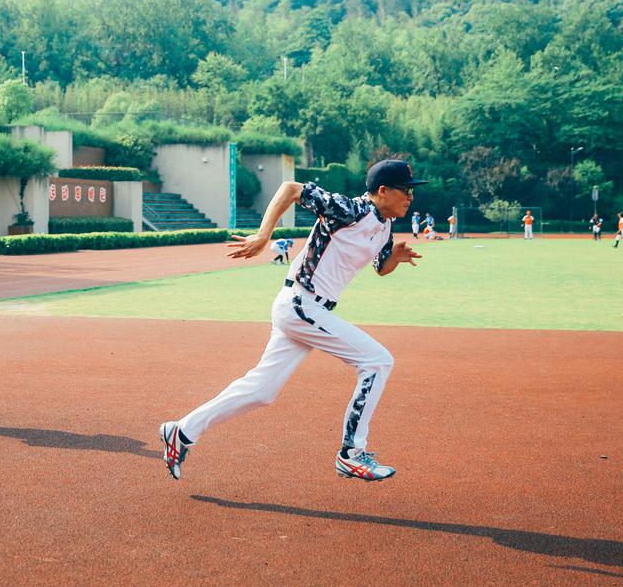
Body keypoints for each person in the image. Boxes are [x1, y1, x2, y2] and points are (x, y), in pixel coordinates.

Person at [159, 159, 425, 483]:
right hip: (302, 304)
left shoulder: (385, 226)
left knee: (262, 390)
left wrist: (394, 258)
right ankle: (351, 454)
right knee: (377, 361)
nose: (410, 197)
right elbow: (290, 189)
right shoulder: (350, 210)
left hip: (307, 311)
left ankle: (181, 431)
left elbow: (381, 267)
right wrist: (263, 236)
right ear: (383, 191)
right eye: (406, 190)